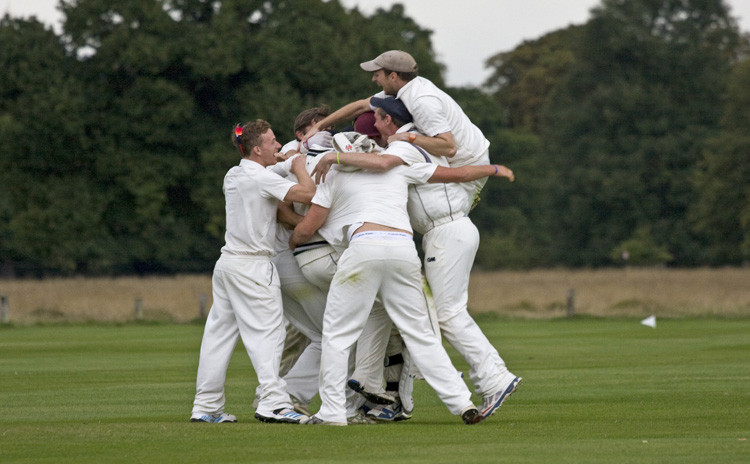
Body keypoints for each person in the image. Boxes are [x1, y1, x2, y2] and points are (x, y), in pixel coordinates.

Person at [312, 97, 521, 422]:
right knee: (421, 334)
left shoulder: (335, 171)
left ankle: (332, 412)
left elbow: (314, 214)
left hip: (364, 247)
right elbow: (457, 174)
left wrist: (321, 156)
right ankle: (462, 403)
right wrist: (493, 169)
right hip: (402, 249)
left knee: (338, 334)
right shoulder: (399, 164)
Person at [190, 119, 315, 425]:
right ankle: (273, 402)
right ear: (257, 149)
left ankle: (206, 406)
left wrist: (283, 163)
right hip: (253, 266)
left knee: (218, 336)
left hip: (227, 265)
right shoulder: (261, 179)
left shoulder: (234, 174)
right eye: (273, 141)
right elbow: (308, 193)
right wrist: (298, 164)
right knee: (268, 335)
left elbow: (267, 173)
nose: (277, 145)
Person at [303, 49, 492, 207]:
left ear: (393, 76)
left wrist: (407, 138)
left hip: (469, 162)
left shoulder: (421, 101)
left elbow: (449, 147)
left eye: (377, 74)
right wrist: (319, 126)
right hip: (458, 157)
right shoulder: (403, 89)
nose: (373, 79)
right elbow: (361, 105)